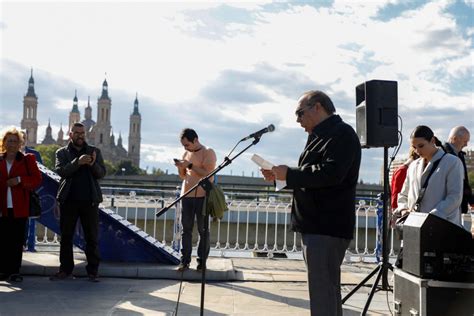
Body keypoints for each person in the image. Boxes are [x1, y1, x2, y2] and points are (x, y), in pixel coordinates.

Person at [261, 90, 361, 316]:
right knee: (325, 291)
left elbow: (330, 174)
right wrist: (282, 177)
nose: (297, 120)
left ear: (317, 107)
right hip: (316, 225)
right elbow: (312, 177)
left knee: (323, 293)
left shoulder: (342, 134)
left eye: (299, 113)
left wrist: (290, 174)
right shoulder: (320, 135)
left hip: (326, 226)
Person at [50, 122, 106, 282]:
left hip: (90, 201)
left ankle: (93, 272)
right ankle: (65, 270)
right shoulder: (62, 153)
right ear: (70, 134)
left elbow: (101, 174)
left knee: (92, 238)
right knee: (66, 237)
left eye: (82, 133)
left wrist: (92, 163)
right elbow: (61, 172)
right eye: (77, 133)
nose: (80, 135)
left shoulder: (94, 151)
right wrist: (78, 162)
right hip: (69, 201)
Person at [396, 125, 464, 226]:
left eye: (421, 146)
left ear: (432, 141)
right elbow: (403, 195)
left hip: (441, 228)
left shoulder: (453, 162)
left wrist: (432, 217)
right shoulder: (413, 165)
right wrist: (403, 209)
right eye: (414, 147)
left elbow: (455, 197)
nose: (417, 151)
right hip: (414, 227)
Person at [0, 127, 42, 282]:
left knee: (17, 241)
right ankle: (3, 270)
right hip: (2, 207)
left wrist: (19, 181)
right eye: (9, 141)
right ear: (4, 142)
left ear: (20, 143)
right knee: (3, 240)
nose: (12, 144)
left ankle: (14, 271)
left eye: (15, 141)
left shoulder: (27, 159)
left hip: (19, 207)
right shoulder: (0, 159)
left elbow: (37, 180)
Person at [174, 128, 216, 272]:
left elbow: (207, 174)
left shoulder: (208, 152)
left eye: (187, 145)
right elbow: (183, 176)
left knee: (203, 230)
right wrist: (181, 167)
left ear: (196, 140)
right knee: (186, 230)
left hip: (202, 196)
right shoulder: (186, 153)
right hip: (186, 195)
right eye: (183, 146)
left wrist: (190, 165)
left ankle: (201, 263)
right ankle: (184, 261)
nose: (185, 148)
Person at [443, 126, 473, 213]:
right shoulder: (444, 155)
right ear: (455, 139)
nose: (466, 144)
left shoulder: (458, 154)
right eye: (465, 141)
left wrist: (470, 199)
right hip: (449, 206)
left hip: (456, 205)